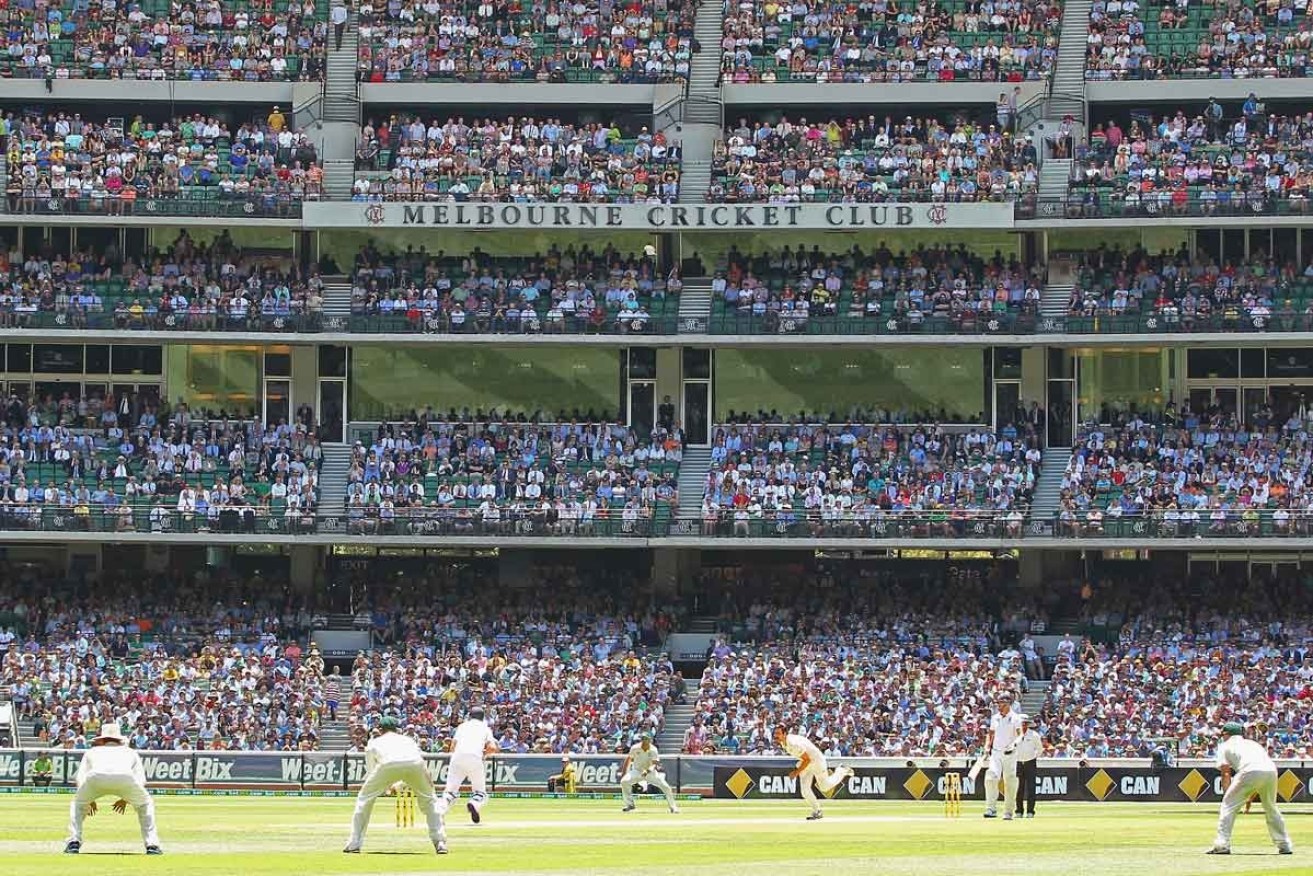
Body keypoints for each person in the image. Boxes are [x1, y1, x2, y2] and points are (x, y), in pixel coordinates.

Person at [344, 716, 447, 855]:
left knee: (364, 799)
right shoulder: (409, 740)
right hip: (415, 765)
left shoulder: (374, 742)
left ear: (380, 729)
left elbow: (371, 771)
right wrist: (423, 787)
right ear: (397, 729)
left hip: (387, 764)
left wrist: (384, 786)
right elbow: (418, 763)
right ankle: (440, 841)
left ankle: (354, 843)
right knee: (430, 801)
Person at [64, 723, 162, 855]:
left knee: (77, 804)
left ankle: (73, 842)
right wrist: (126, 799)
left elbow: (81, 778)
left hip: (95, 779)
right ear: (120, 739)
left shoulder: (92, 751)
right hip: (125, 778)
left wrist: (88, 799)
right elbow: (141, 780)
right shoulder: (130, 752)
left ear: (102, 739)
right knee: (145, 804)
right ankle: (152, 845)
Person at [1208, 722, 1293, 856]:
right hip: (1271, 770)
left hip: (1249, 770)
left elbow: (1225, 772)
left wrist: (1227, 795)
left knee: (1227, 806)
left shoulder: (1224, 746)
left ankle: (1221, 845)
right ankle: (1285, 845)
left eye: (1223, 734)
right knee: (1271, 807)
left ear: (1226, 734)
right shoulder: (1253, 743)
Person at [773, 726, 853, 821]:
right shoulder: (784, 742)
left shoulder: (793, 743)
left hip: (816, 762)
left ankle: (841, 770)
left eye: (778, 733)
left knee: (824, 787)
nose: (775, 736)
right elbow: (805, 759)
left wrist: (796, 772)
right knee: (805, 791)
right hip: (806, 763)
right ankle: (817, 811)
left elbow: (807, 759)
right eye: (775, 733)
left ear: (785, 734)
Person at [440, 706, 497, 824]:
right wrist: (483, 755)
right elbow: (492, 748)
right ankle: (474, 803)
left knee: (450, 791)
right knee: (480, 792)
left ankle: (440, 810)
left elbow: (452, 747)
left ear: (470, 716)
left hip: (457, 757)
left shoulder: (462, 726)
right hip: (475, 758)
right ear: (483, 718)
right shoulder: (485, 728)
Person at [983, 693, 1022, 820]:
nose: (998, 706)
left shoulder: (1016, 718)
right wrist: (987, 747)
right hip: (996, 753)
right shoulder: (995, 718)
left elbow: (1020, 734)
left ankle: (1008, 811)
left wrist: (1014, 744)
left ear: (1008, 703)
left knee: (1010, 782)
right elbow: (990, 734)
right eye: (998, 703)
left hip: (1010, 754)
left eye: (1000, 703)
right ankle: (991, 808)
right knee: (990, 777)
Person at [620, 734, 678, 814]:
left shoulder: (653, 749)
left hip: (651, 773)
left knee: (666, 787)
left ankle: (673, 807)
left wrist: (647, 771)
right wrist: (624, 773)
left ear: (650, 740)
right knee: (624, 781)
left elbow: (655, 763)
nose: (644, 741)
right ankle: (630, 805)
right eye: (643, 739)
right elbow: (629, 759)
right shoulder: (635, 748)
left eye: (646, 739)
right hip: (637, 771)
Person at [1013, 714, 1042, 819]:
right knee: (1018, 788)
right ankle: (1019, 811)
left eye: (1025, 723)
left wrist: (1033, 757)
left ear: (1028, 724)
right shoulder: (1014, 735)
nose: (1023, 726)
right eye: (1021, 724)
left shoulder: (1034, 735)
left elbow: (1040, 749)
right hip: (1018, 763)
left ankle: (1030, 811)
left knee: (1031, 788)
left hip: (1030, 763)